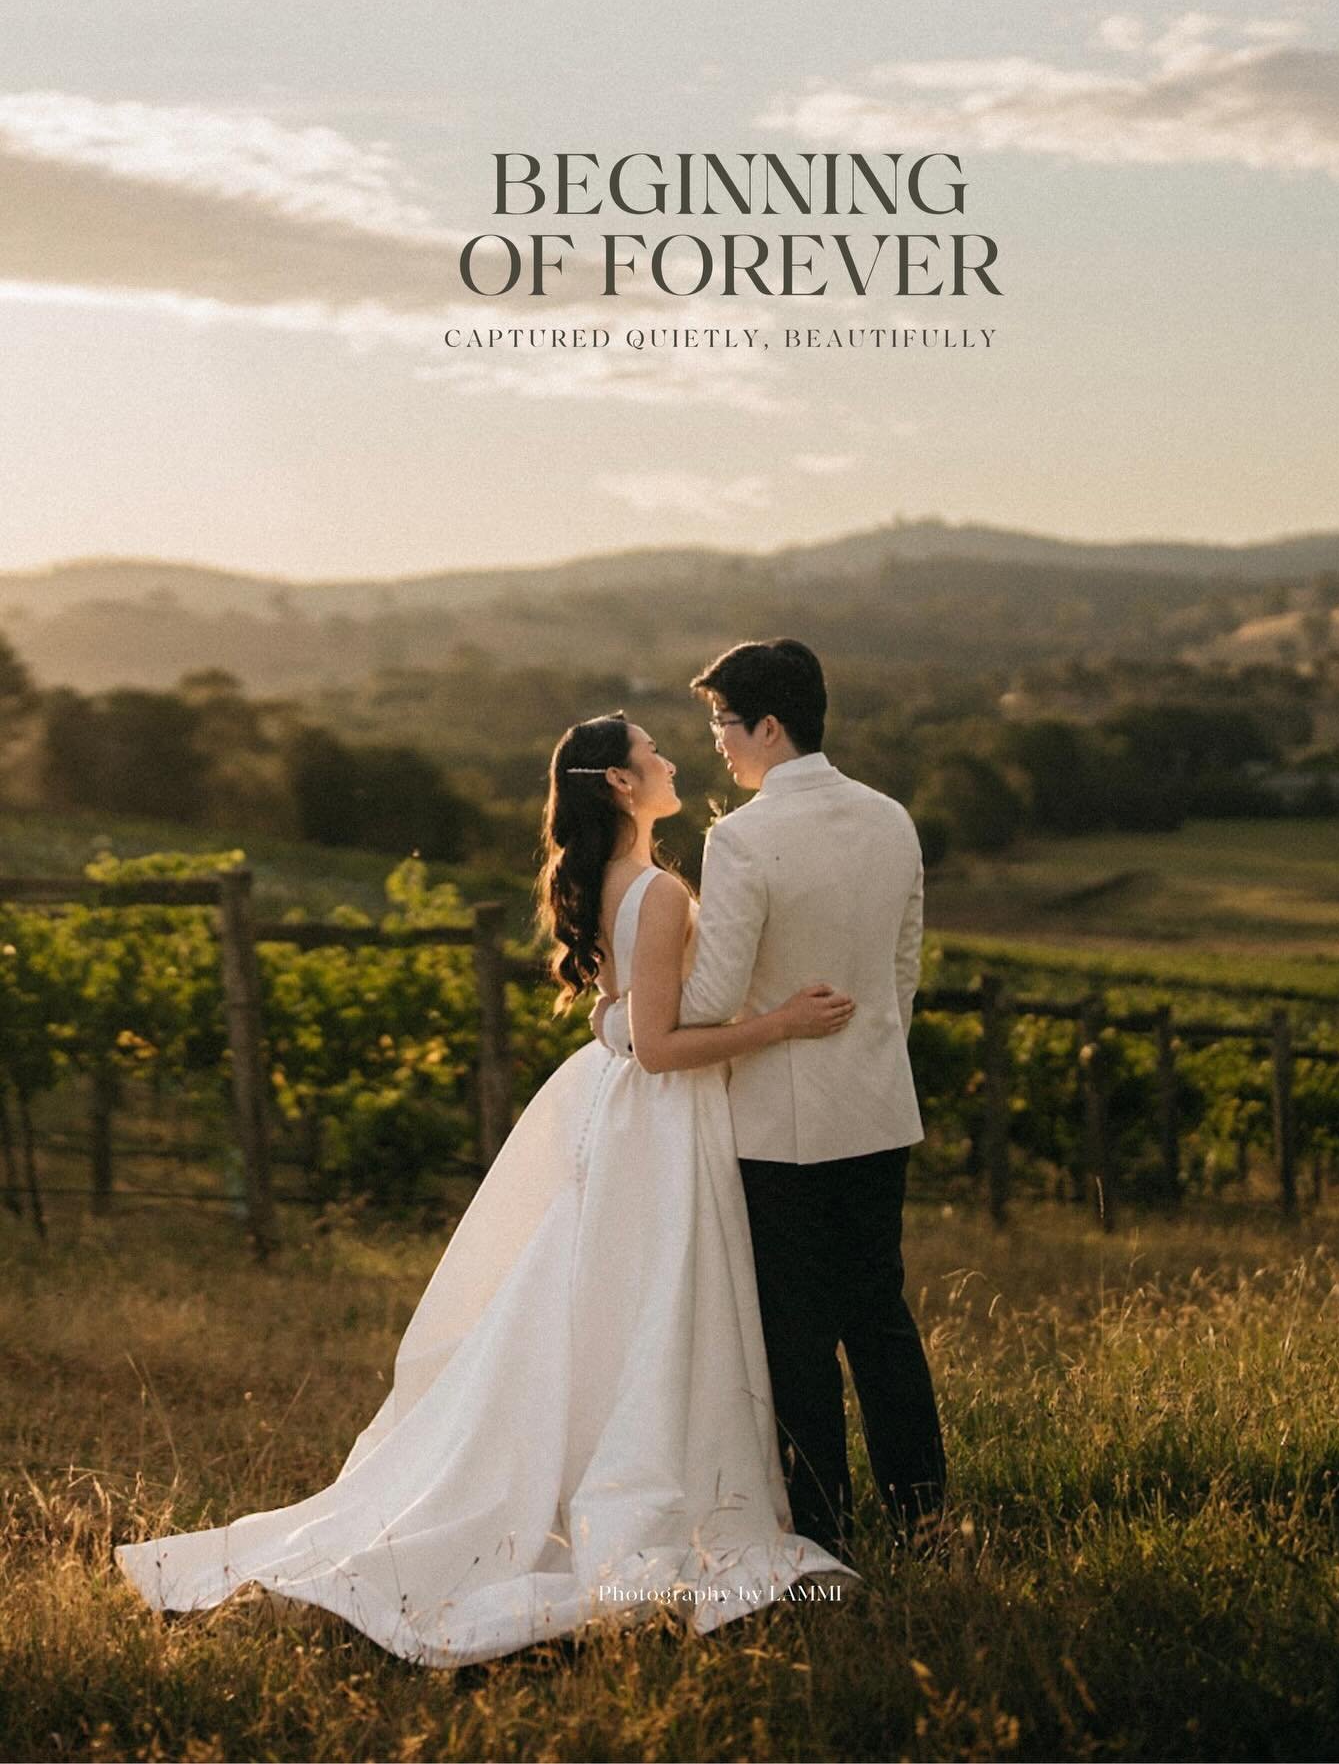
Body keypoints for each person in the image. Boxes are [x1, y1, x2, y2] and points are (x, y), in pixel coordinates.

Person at [114, 713, 857, 1669]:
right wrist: (782, 1025)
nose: (672, 760)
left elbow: (623, 1017)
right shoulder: (663, 892)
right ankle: (635, 1486)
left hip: (616, 1109)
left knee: (606, 1300)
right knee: (654, 1298)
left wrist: (621, 1024)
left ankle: (579, 1458)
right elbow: (666, 1046)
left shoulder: (610, 883)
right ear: (624, 786)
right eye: (654, 754)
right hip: (657, 1119)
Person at [675, 638, 946, 1560]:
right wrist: (868, 1049)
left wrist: (634, 1005)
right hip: (876, 1106)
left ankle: (823, 1536)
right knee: (879, 1315)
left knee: (794, 1335)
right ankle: (925, 1518)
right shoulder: (893, 818)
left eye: (723, 721)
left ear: (770, 726)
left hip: (779, 1126)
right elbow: (903, 972)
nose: (717, 740)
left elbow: (711, 999)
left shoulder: (741, 838)